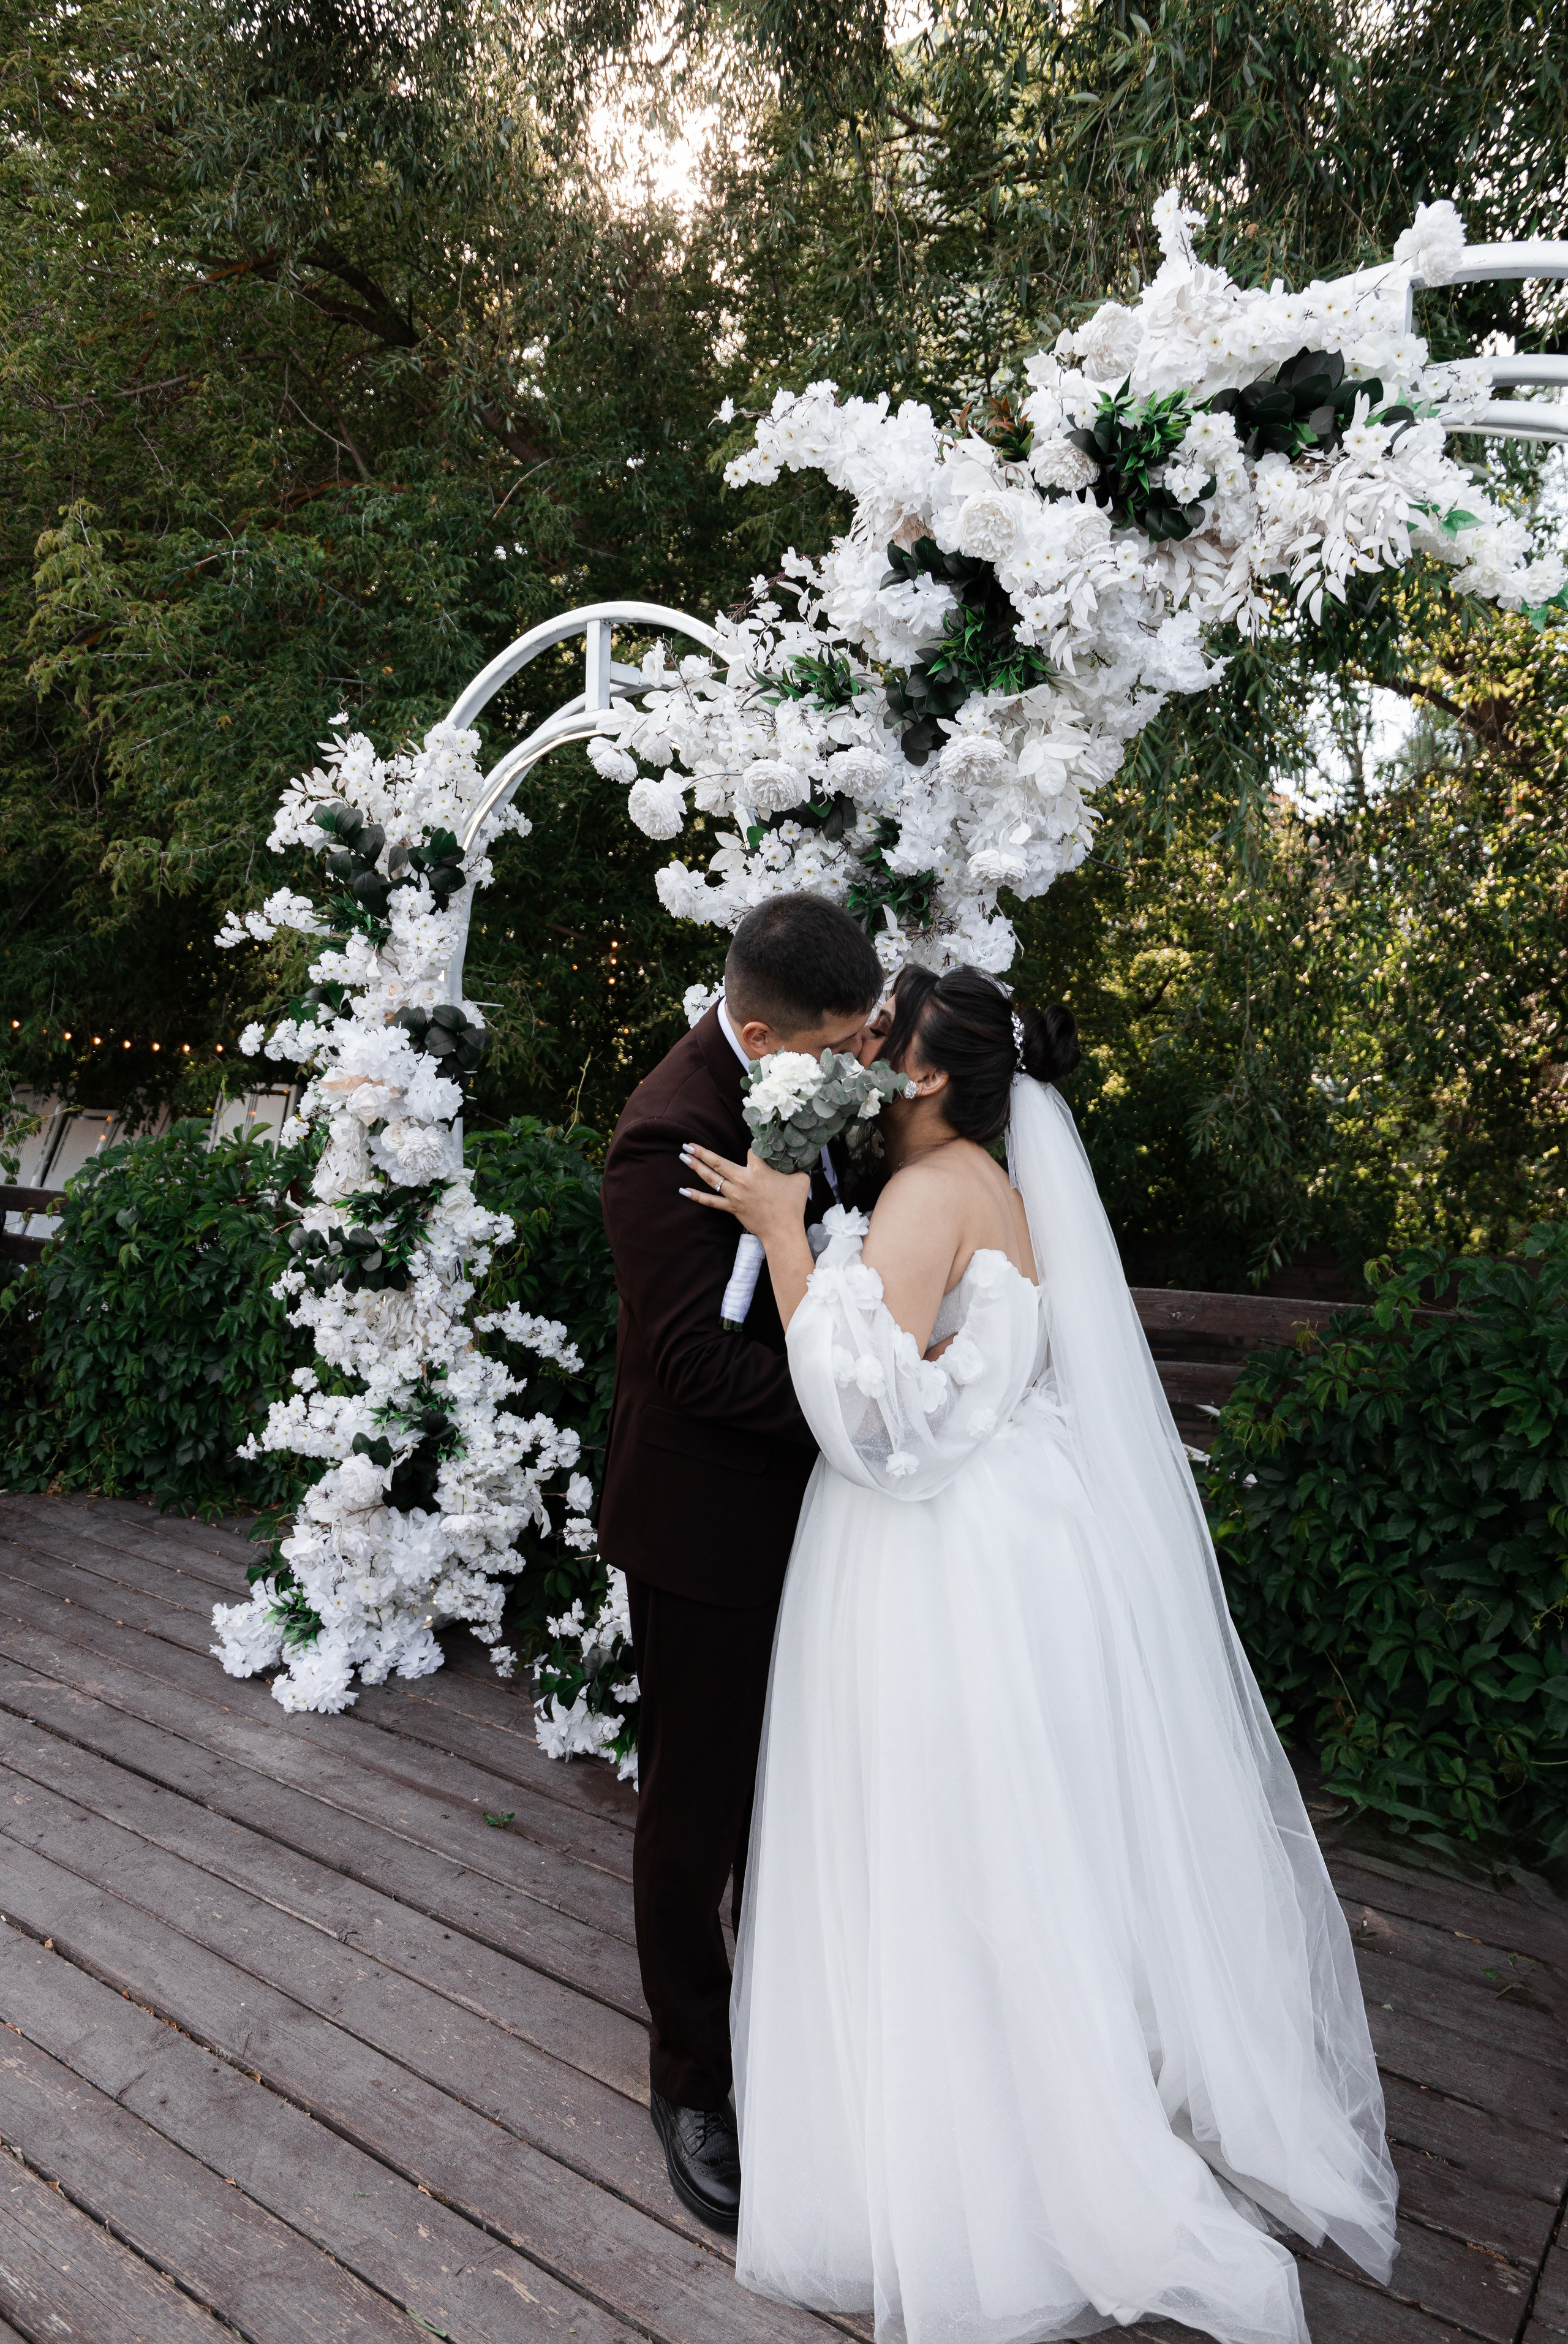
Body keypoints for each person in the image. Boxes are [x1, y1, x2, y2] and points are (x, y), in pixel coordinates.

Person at [677, 963, 1398, 2344]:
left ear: (927, 1072)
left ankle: (950, 2165)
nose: (859, 1056)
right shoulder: (998, 1189)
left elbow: (873, 1422)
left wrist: (782, 1233)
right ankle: (1023, 2103)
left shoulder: (924, 1193)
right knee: (1009, 1844)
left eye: (880, 1039)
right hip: (1022, 1541)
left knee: (927, 1841)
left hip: (926, 1554)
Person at [598, 893, 884, 2234]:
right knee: (695, 1812)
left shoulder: (814, 1077)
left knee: (799, 1791)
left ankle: (790, 2036)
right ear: (762, 1036)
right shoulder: (665, 1133)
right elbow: (688, 1364)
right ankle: (690, 2084)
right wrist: (859, 1408)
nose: (855, 1067)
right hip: (705, 1526)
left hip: (818, 1522)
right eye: (835, 1047)